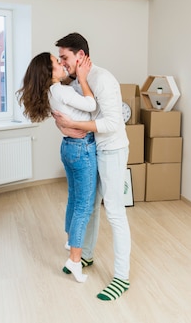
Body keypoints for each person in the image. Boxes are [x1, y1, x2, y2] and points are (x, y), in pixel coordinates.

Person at [52, 32, 131, 301]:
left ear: (80, 56)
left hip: (112, 148)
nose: (62, 65)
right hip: (91, 147)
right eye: (60, 60)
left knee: (115, 212)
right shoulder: (75, 82)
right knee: (91, 205)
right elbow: (75, 110)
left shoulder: (104, 80)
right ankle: (85, 255)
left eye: (65, 58)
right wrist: (61, 121)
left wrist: (73, 125)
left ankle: (121, 276)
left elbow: (111, 123)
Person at [16, 51, 97, 283]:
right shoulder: (61, 90)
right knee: (84, 206)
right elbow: (91, 105)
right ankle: (74, 260)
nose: (62, 64)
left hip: (68, 148)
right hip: (81, 148)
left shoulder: (51, 92)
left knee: (74, 198)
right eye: (56, 62)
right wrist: (82, 77)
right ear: (48, 73)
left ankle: (71, 239)